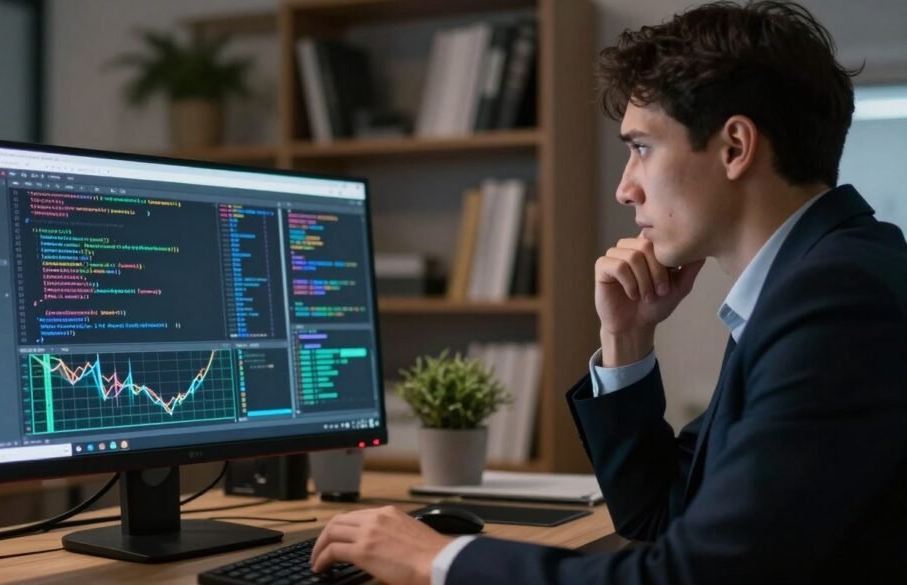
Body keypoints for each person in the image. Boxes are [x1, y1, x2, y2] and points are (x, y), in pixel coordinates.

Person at [309, 1, 907, 583]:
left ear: (734, 147)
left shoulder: (837, 299)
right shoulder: (813, 280)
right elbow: (663, 513)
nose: (625, 188)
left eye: (641, 147)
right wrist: (627, 337)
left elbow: (698, 572)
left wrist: (438, 561)